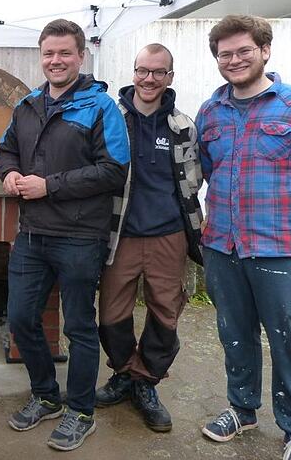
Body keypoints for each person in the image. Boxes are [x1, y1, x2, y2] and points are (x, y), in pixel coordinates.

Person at [196, 15, 291, 460]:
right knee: (234, 333)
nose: (234, 60)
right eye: (225, 54)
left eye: (243, 51)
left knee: (288, 341)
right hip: (223, 245)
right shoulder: (211, 111)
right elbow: (205, 167)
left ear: (265, 50)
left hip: (287, 250)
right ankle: (242, 409)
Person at [0, 18, 129, 451]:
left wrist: (48, 185)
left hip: (79, 237)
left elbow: (114, 171)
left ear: (80, 56)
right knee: (20, 317)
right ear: (41, 56)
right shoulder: (28, 104)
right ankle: (46, 394)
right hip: (31, 234)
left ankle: (81, 411)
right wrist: (10, 172)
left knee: (79, 327)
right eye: (49, 53)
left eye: (64, 53)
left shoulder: (101, 107)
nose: (56, 60)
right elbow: (5, 148)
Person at [95, 43, 203, 432]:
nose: (149, 79)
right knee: (111, 314)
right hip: (118, 232)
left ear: (170, 77)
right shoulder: (109, 118)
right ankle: (124, 371)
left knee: (165, 313)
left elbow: (194, 179)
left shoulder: (184, 126)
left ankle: (146, 382)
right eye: (143, 70)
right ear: (133, 72)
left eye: (159, 72)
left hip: (168, 234)